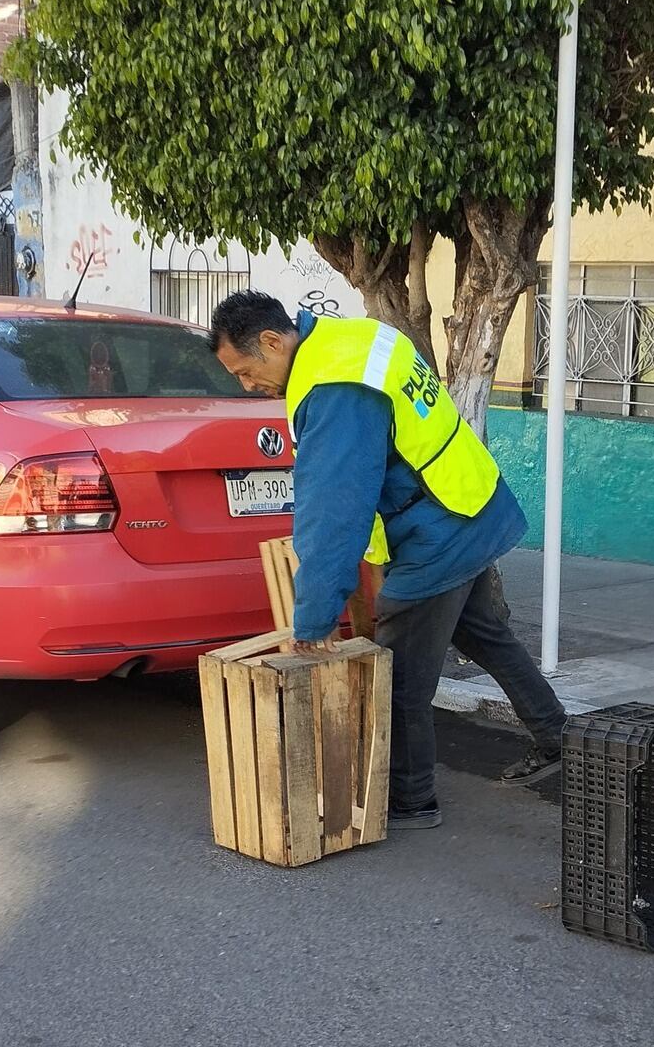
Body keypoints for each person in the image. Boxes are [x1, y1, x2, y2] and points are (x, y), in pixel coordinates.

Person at [209, 291, 567, 830]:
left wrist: (313, 618)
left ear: (271, 341)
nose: (246, 385)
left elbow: (333, 512)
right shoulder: (349, 338)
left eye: (244, 371)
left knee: (397, 676)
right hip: (468, 503)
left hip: (436, 531)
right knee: (482, 635)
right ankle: (558, 736)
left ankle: (411, 800)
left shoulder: (333, 387)